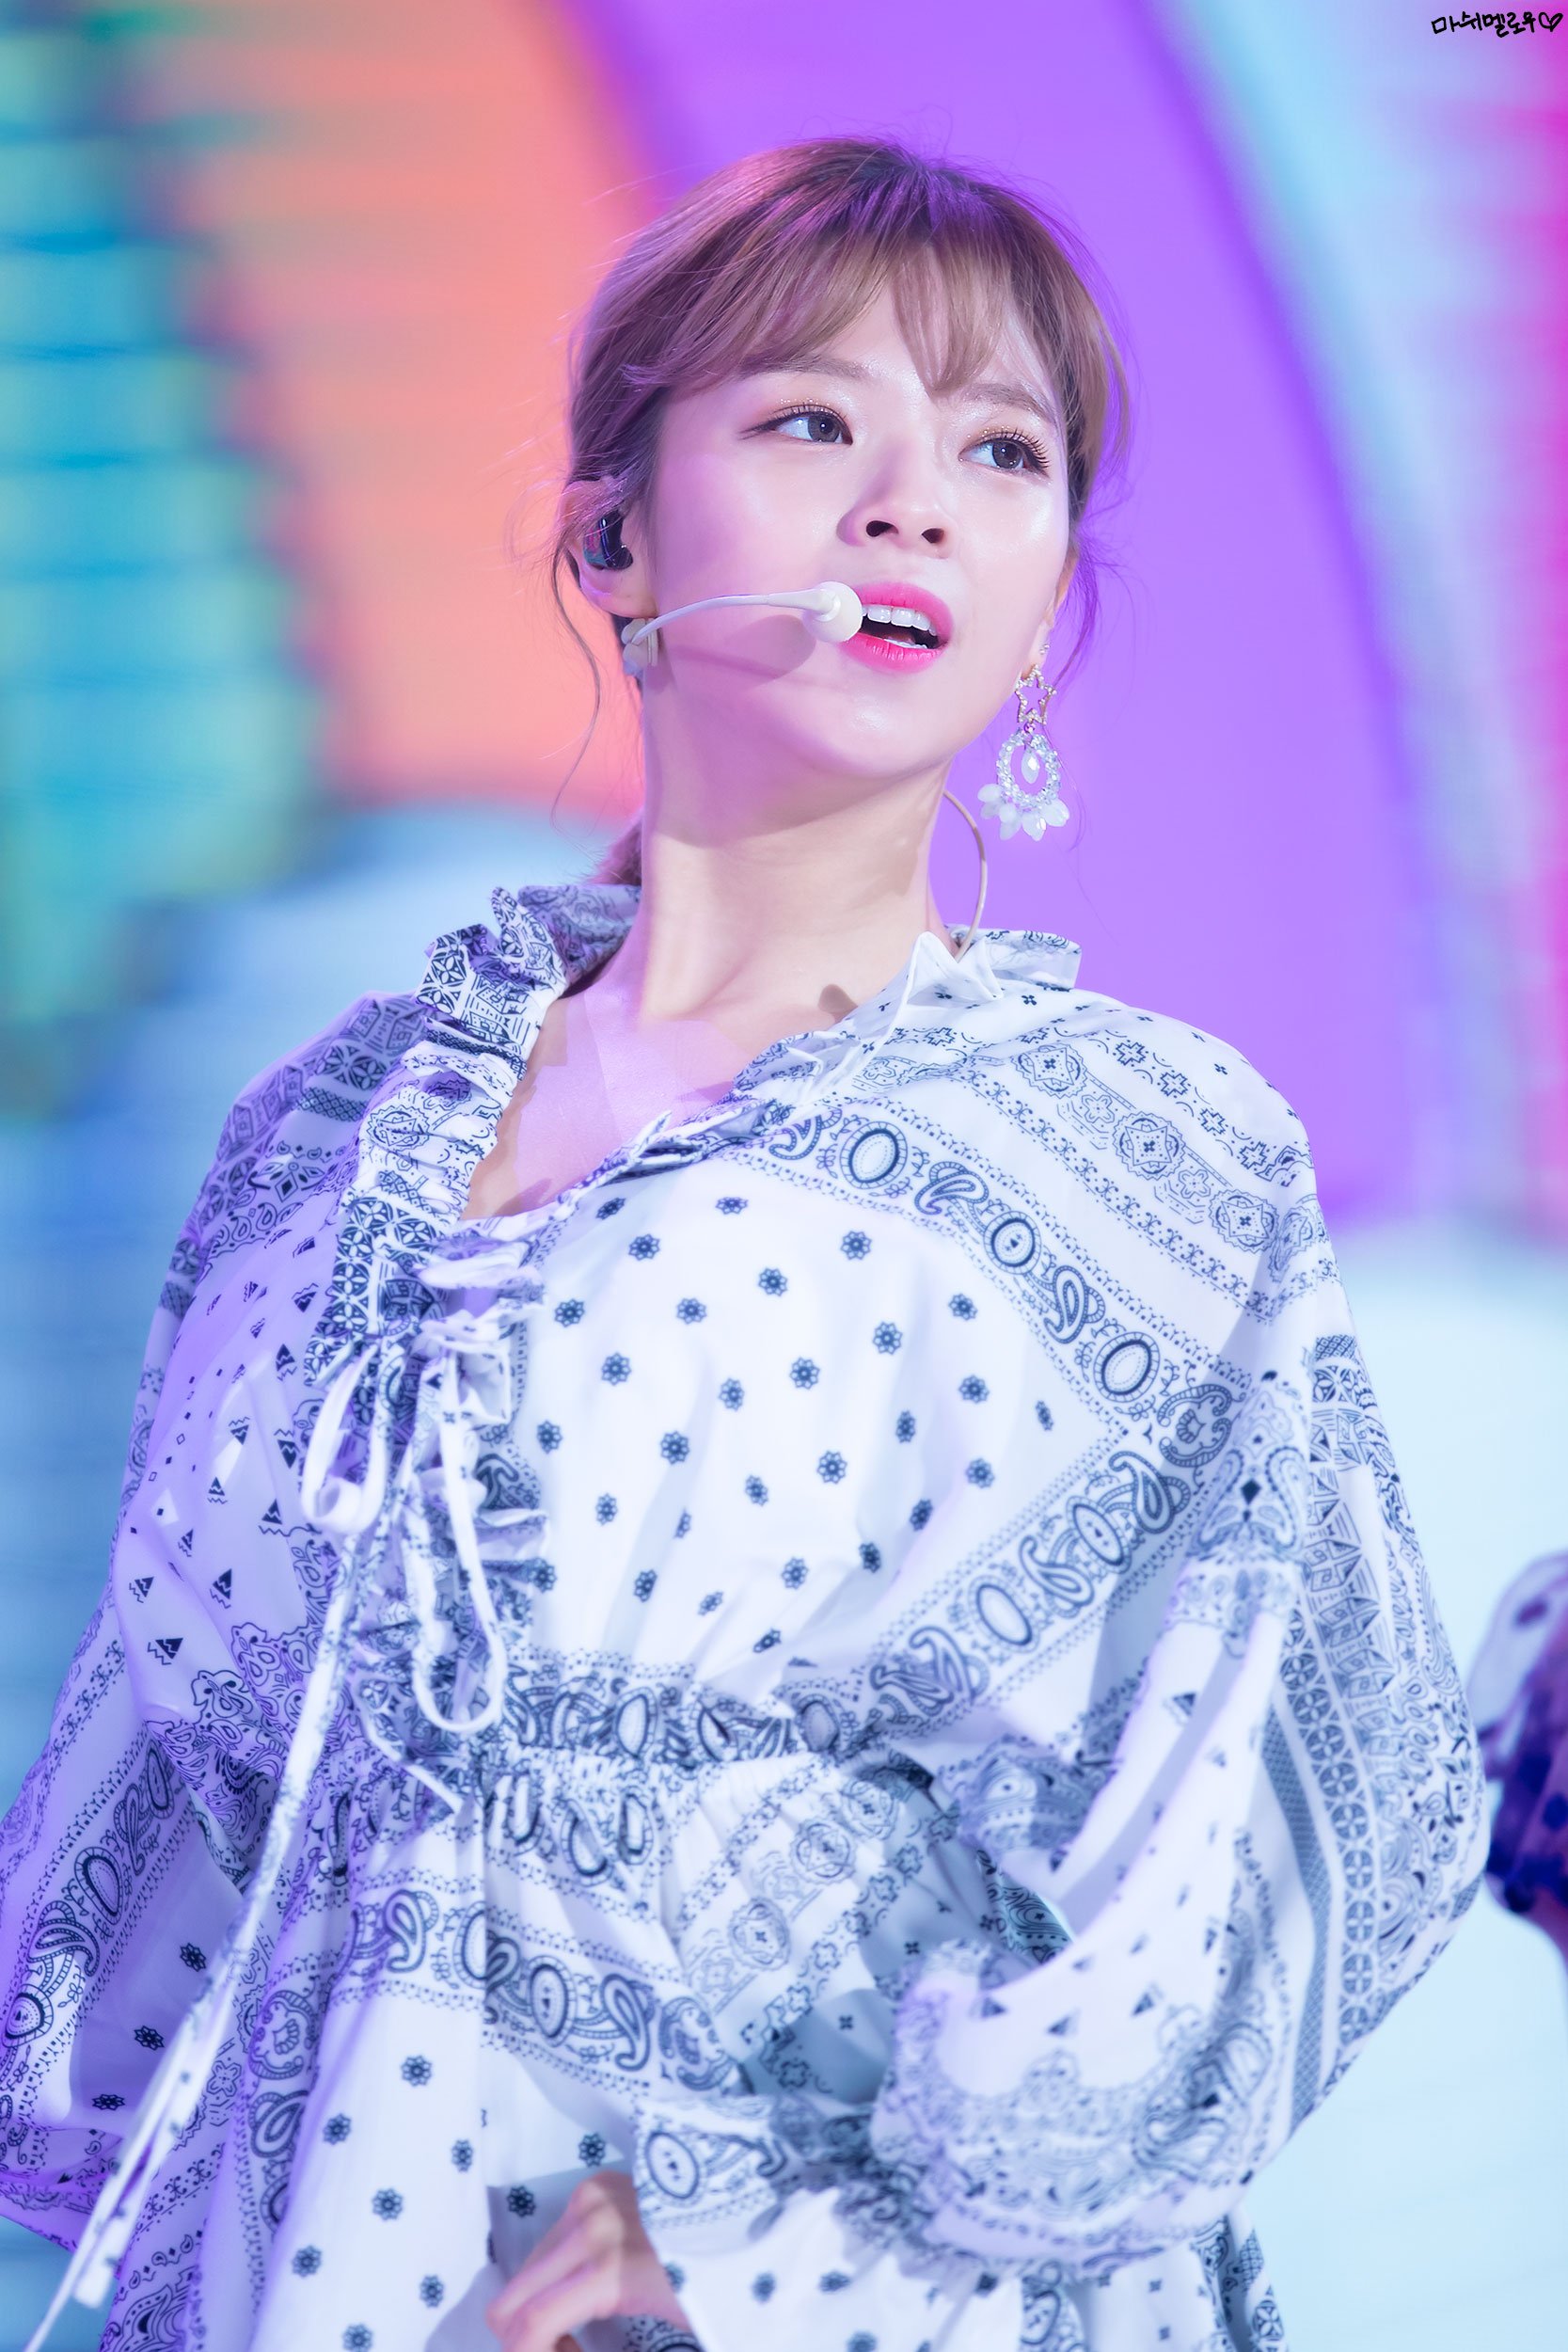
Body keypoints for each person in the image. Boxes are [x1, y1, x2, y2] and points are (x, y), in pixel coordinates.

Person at [0, 138, 1486, 2352]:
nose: (912, 508)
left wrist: (742, 2243)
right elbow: (163, 1815)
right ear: (616, 530)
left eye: (1002, 453)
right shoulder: (327, 1131)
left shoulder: (1137, 1157)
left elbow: (1273, 1834)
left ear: (1047, 595)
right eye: (811, 421)